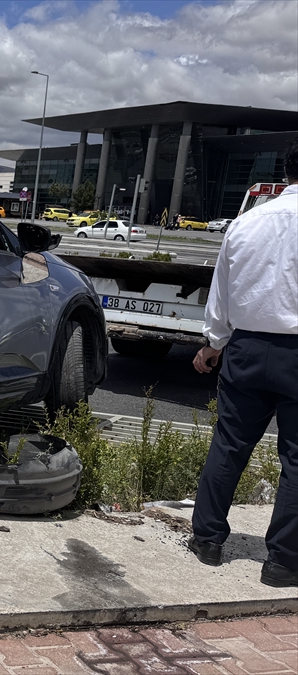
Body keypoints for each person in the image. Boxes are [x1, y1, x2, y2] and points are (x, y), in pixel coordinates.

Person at [189, 139, 298, 587]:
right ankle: (283, 562)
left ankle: (208, 539)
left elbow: (223, 291)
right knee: (296, 459)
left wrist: (213, 342)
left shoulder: (247, 222)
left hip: (248, 346)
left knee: (231, 443)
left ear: (286, 169)